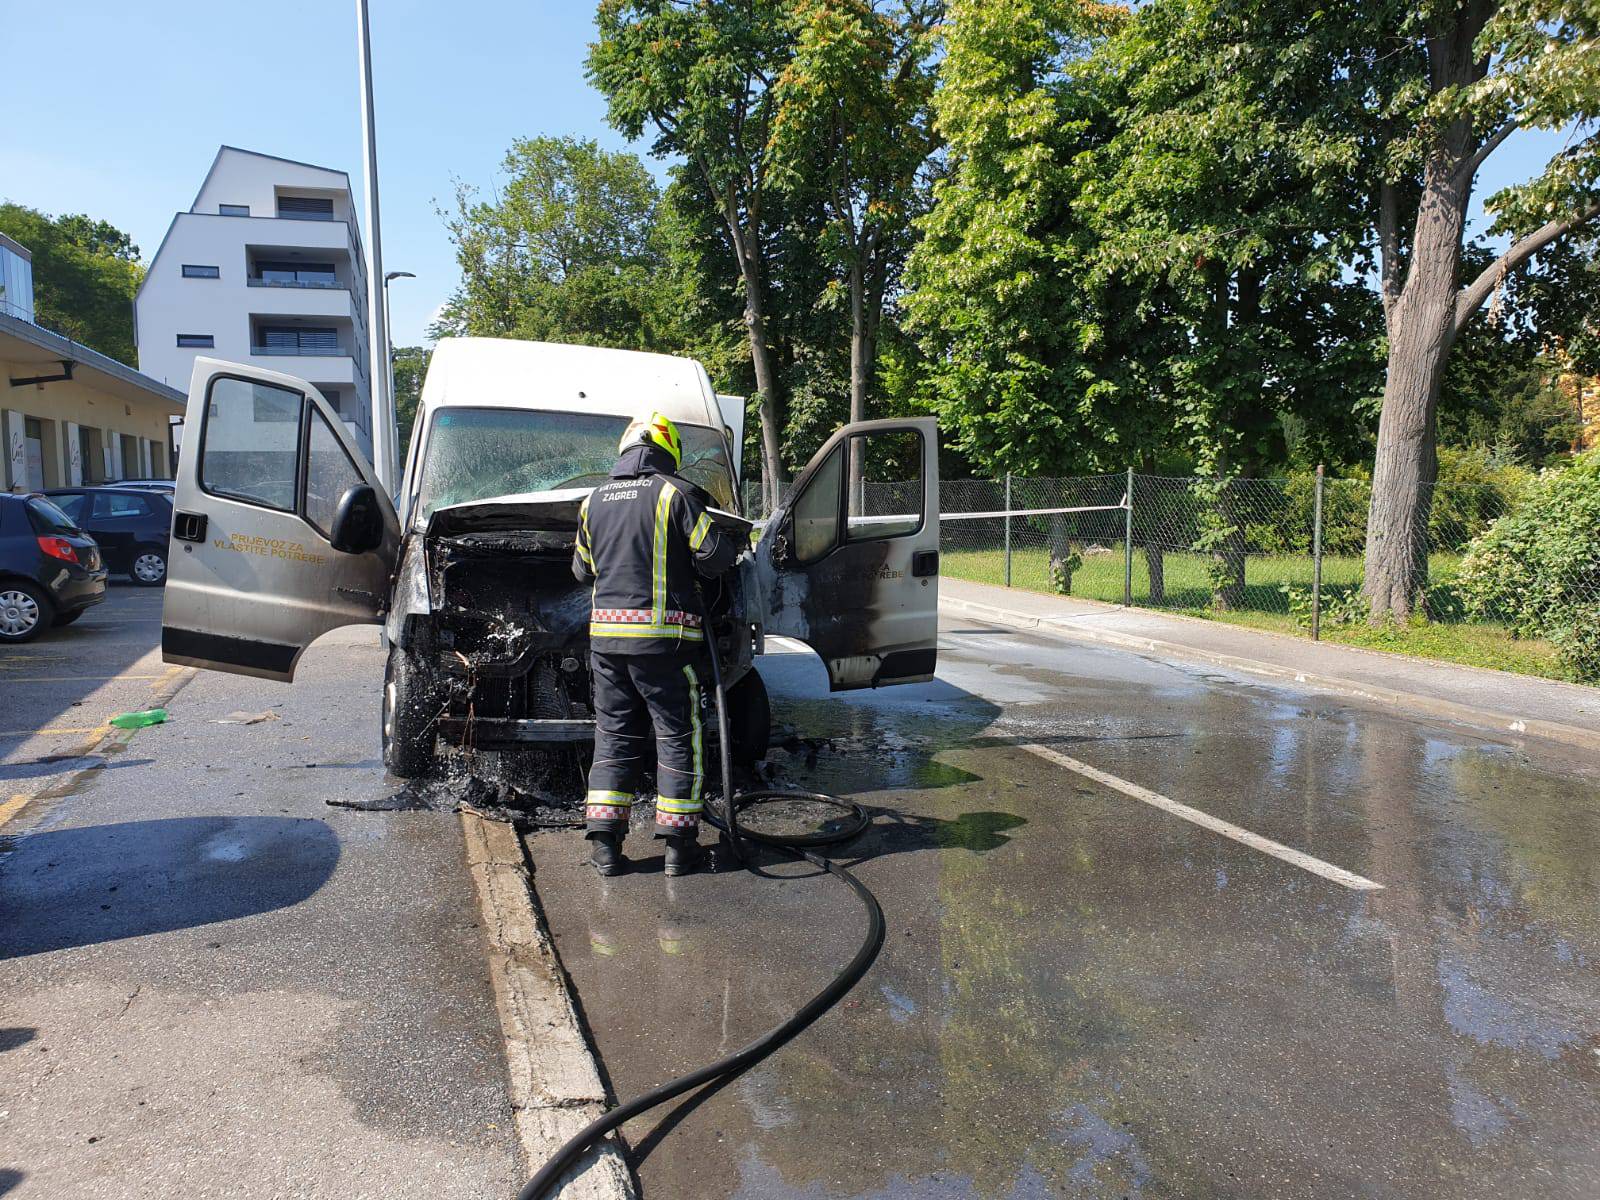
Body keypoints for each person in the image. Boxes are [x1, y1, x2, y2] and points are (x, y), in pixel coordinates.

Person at [573, 411, 740, 877]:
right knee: (678, 738)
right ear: (668, 452)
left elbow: (581, 571)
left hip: (606, 645)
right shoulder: (676, 493)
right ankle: (678, 848)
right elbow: (713, 556)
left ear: (625, 451)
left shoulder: (594, 501)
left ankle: (605, 847)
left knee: (613, 739)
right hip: (665, 646)